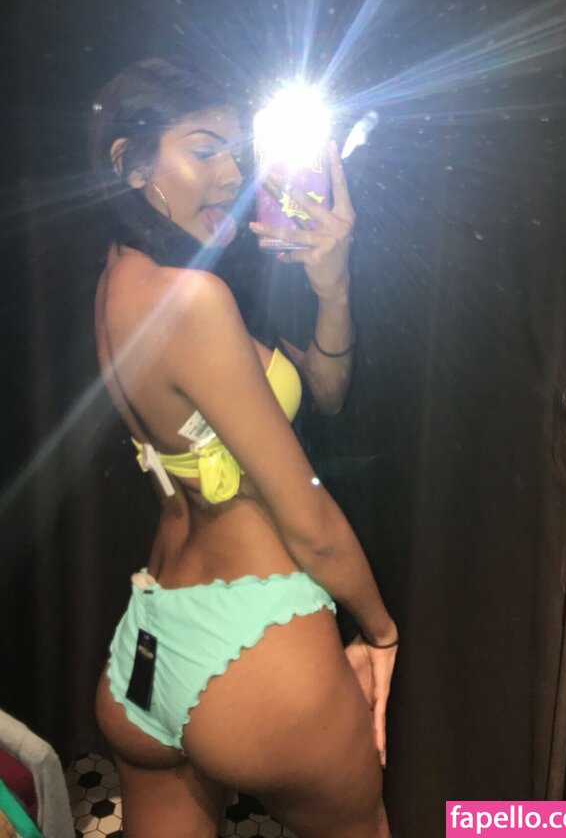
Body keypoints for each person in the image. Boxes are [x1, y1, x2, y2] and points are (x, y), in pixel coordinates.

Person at [91, 58, 398, 838]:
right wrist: (380, 631)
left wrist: (331, 286)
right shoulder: (194, 298)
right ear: (131, 164)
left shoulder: (120, 281)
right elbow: (310, 523)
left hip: (149, 643)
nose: (231, 175)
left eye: (234, 152)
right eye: (204, 150)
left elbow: (322, 392)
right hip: (257, 648)